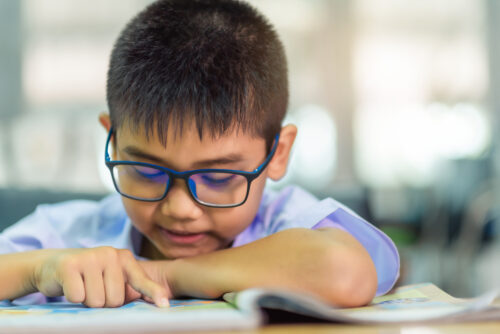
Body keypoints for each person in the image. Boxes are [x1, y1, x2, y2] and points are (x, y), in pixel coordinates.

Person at [0, 0, 399, 309]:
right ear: (113, 142)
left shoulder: (284, 223)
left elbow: (345, 271)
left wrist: (162, 275)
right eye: (145, 170)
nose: (181, 209)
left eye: (220, 178)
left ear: (277, 153)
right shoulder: (69, 234)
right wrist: (40, 269)